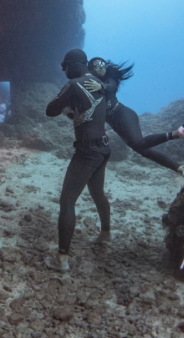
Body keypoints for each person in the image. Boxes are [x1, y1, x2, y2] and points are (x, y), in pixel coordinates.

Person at [45, 49, 110, 272]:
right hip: (103, 148)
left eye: (65, 66)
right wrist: (72, 111)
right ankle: (106, 233)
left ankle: (61, 259)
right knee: (98, 193)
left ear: (73, 64)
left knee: (67, 202)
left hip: (87, 151)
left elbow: (50, 110)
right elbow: (89, 112)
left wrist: (65, 106)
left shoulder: (74, 85)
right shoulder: (98, 82)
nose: (64, 70)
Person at [84, 57, 184, 184]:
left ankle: (179, 133)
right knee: (143, 151)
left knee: (139, 143)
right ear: (90, 70)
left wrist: (101, 86)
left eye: (103, 66)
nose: (101, 69)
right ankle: (182, 169)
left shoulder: (109, 80)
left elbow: (111, 86)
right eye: (97, 67)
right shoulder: (89, 85)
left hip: (123, 115)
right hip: (116, 124)